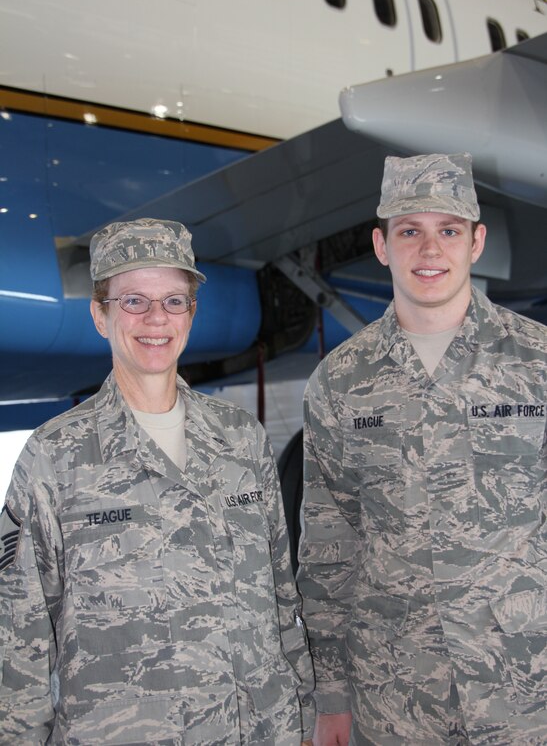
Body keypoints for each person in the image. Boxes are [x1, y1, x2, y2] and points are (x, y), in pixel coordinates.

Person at [0, 218, 315, 745]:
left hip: (262, 729)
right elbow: (17, 635)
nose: (156, 318)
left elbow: (282, 593)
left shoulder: (240, 438)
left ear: (191, 312)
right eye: (133, 301)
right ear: (100, 315)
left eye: (173, 300)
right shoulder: (55, 456)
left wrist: (303, 711)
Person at [297, 153, 547, 745]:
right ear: (381, 246)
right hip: (397, 694)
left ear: (477, 242)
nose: (430, 250)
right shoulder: (341, 381)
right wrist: (330, 694)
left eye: (449, 231)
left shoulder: (537, 363)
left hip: (526, 687)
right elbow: (330, 545)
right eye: (409, 231)